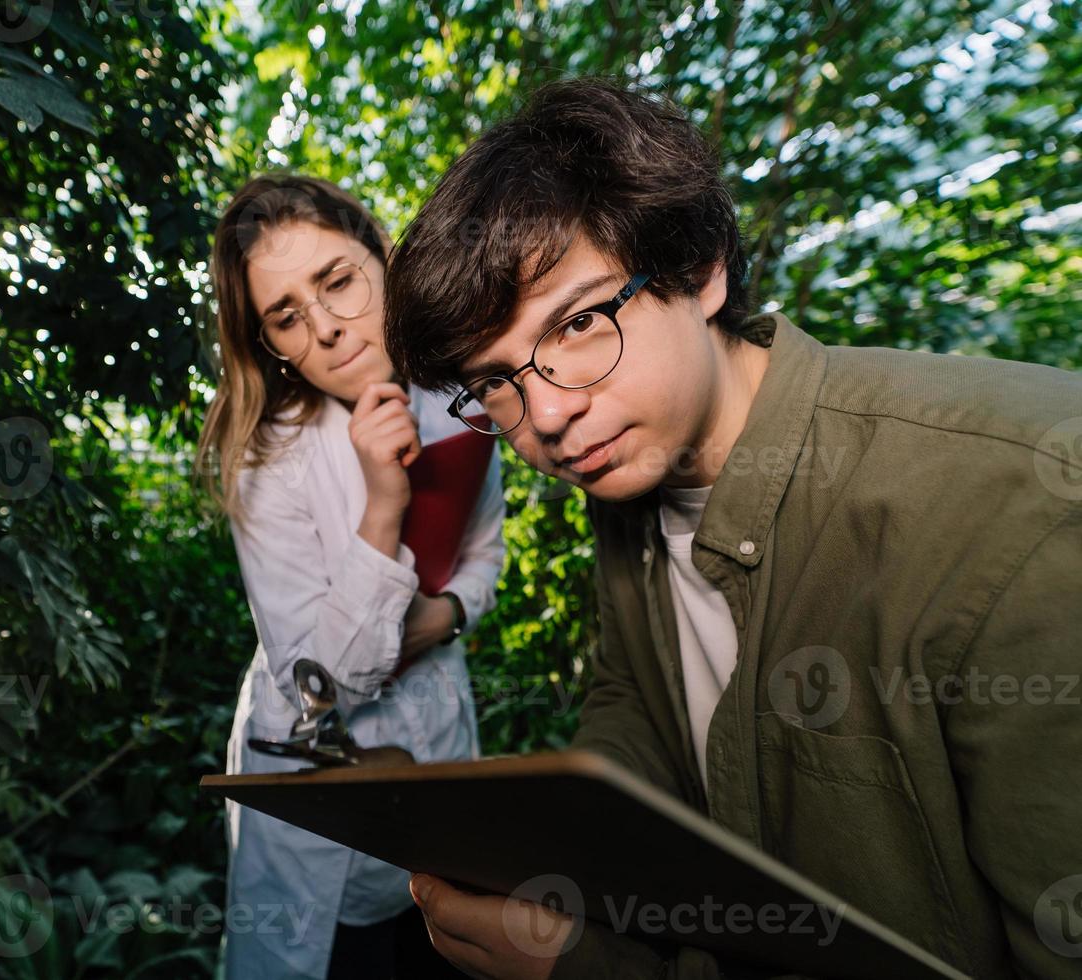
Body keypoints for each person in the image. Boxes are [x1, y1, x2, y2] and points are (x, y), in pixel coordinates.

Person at [380, 77, 1082, 979]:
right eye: (495, 383)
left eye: (582, 324)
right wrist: (552, 871)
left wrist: (592, 968)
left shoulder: (1020, 508)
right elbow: (635, 699)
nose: (546, 416)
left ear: (701, 266)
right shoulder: (629, 471)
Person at [196, 173, 506, 979]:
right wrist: (382, 506)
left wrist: (447, 617)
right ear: (270, 345)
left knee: (446, 940)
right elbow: (316, 684)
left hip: (436, 761)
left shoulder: (458, 397)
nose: (329, 328)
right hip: (319, 805)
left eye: (339, 281)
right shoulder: (269, 464)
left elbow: (484, 558)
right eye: (287, 317)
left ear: (382, 258)